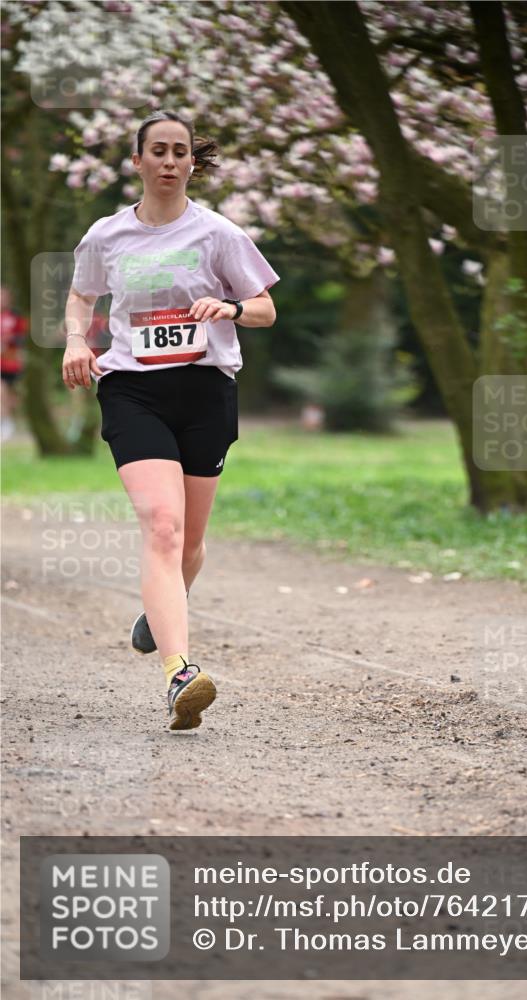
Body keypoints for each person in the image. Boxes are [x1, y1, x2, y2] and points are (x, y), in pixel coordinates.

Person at [63, 110, 279, 731]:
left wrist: (233, 307)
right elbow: (82, 294)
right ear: (137, 161)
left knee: (188, 542)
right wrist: (77, 342)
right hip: (132, 390)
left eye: (179, 151)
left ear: (191, 163)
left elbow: (266, 308)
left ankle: (160, 612)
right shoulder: (106, 235)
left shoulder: (218, 234)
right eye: (156, 150)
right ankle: (180, 672)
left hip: (206, 391)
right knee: (162, 526)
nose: (168, 160)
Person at [1, 286, 28, 441]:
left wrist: (9, 341)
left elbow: (22, 337)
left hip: (12, 363)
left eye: (3, 296)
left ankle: (11, 421)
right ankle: (6, 423)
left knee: (13, 396)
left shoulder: (15, 316)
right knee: (1, 391)